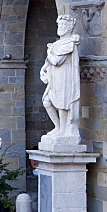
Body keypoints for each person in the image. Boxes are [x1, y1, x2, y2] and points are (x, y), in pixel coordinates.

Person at [40, 15, 82, 144]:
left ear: (70, 28)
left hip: (64, 77)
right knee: (47, 101)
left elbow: (57, 61)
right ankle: (58, 127)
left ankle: (64, 130)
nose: (60, 28)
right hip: (55, 78)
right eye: (59, 25)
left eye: (63, 25)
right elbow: (48, 63)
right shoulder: (56, 44)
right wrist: (43, 70)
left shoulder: (69, 43)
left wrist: (49, 53)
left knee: (63, 104)